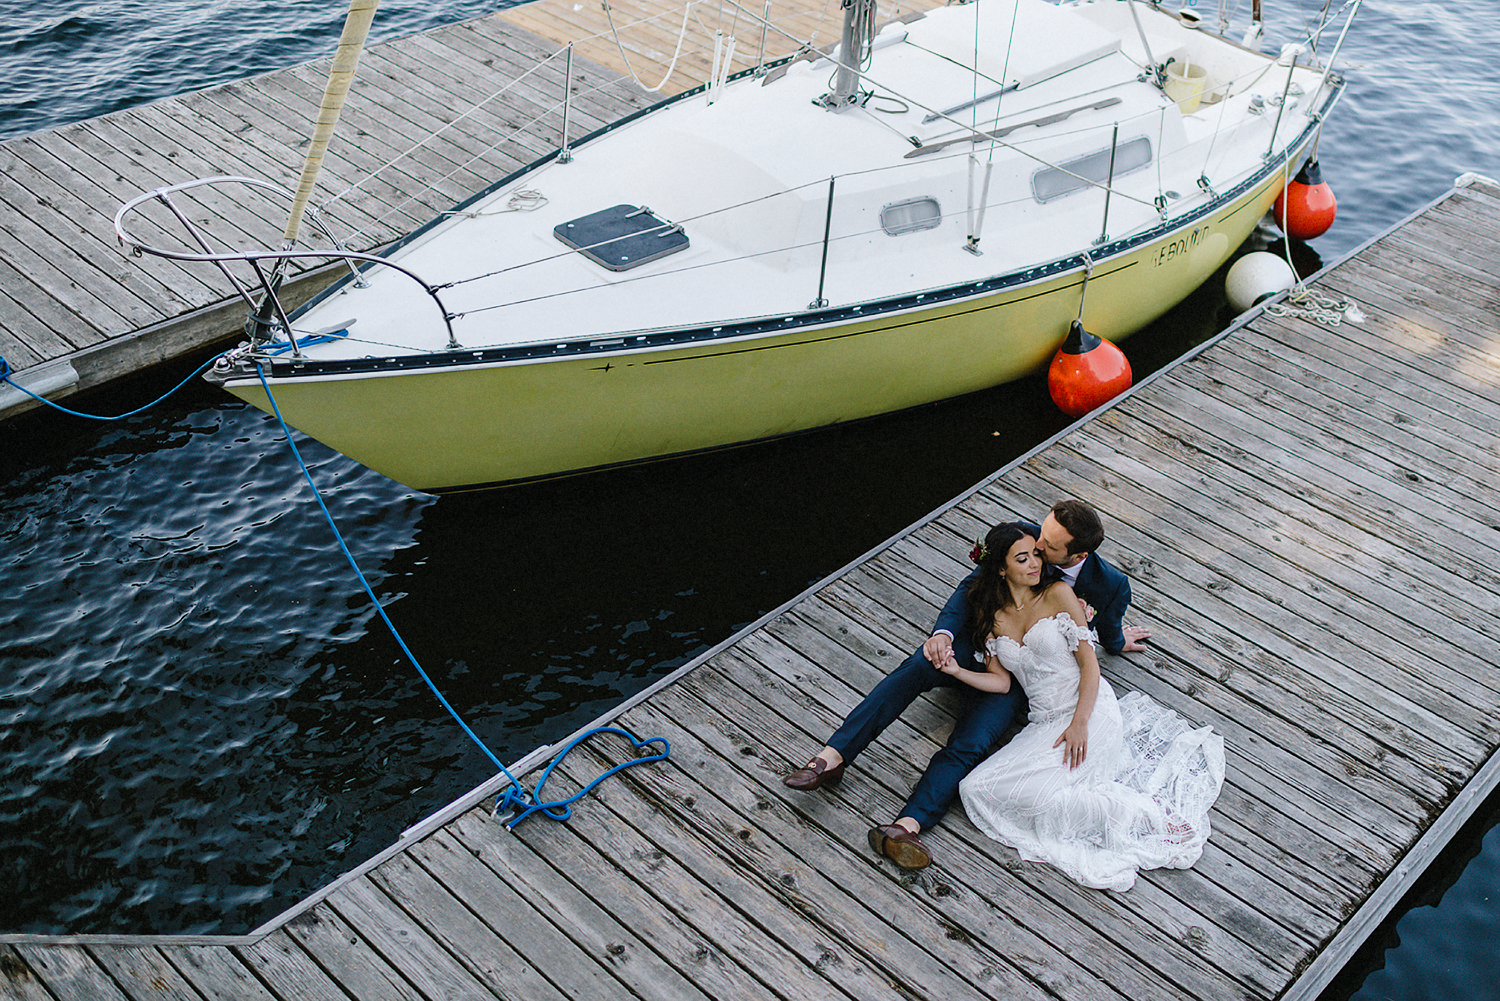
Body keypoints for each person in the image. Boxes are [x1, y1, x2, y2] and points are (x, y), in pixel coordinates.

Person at [782, 499, 1148, 870]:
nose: (1037, 548)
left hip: (1019, 681)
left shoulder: (1105, 585)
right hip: (980, 643)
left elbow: (1101, 639)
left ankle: (908, 826)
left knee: (971, 744)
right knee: (914, 668)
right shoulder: (1024, 538)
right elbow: (969, 587)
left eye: (1048, 548)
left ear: (1077, 554)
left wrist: (1117, 642)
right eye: (1039, 535)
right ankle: (832, 757)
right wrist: (942, 635)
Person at [948, 522, 1224, 890]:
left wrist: (1080, 723)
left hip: (1089, 711)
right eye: (1023, 558)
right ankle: (1114, 810)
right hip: (1044, 721)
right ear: (1001, 568)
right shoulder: (994, 618)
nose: (1035, 563)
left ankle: (1143, 815)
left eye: (1036, 554)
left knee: (1045, 794)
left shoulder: (1059, 594)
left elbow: (1089, 665)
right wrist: (955, 670)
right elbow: (1000, 681)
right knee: (976, 788)